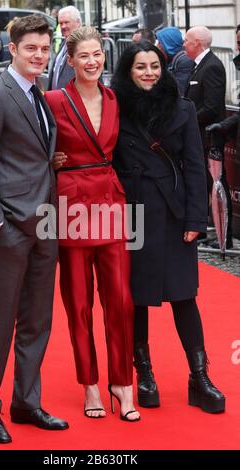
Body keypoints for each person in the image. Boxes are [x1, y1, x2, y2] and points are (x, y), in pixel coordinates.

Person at [0, 15, 69, 445]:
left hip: (45, 224)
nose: (39, 56)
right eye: (31, 48)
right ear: (13, 49)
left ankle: (26, 401)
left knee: (37, 320)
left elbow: (34, 156)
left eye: (45, 49)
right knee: (1, 319)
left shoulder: (40, 96)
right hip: (8, 227)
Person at [111, 40, 225, 414]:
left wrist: (196, 219)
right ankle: (144, 374)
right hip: (133, 213)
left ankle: (200, 377)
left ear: (164, 68)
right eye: (141, 66)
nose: (149, 72)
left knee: (184, 295)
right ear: (129, 71)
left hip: (175, 213)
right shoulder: (115, 108)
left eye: (155, 66)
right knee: (137, 298)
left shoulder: (183, 108)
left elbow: (195, 167)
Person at [45, 26, 140, 422]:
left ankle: (123, 382)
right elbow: (31, 144)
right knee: (79, 304)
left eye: (97, 54)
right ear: (70, 61)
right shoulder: (52, 100)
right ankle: (90, 384)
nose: (92, 61)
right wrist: (48, 161)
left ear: (105, 55)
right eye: (84, 56)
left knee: (121, 301)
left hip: (112, 203)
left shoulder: (116, 99)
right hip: (70, 208)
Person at [184, 26, 233, 249]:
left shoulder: (211, 66)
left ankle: (225, 235)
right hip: (200, 137)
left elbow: (212, 107)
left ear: (197, 43)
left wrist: (187, 120)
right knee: (203, 184)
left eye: (187, 41)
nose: (184, 45)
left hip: (209, 138)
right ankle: (205, 228)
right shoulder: (199, 66)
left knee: (215, 184)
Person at [48, 5, 81, 90]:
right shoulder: (64, 43)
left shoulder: (84, 45)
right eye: (61, 23)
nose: (63, 26)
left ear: (78, 23)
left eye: (66, 22)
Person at [156, 27, 193, 96]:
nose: (157, 46)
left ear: (167, 43)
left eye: (159, 43)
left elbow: (179, 91)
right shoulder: (170, 59)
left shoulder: (184, 61)